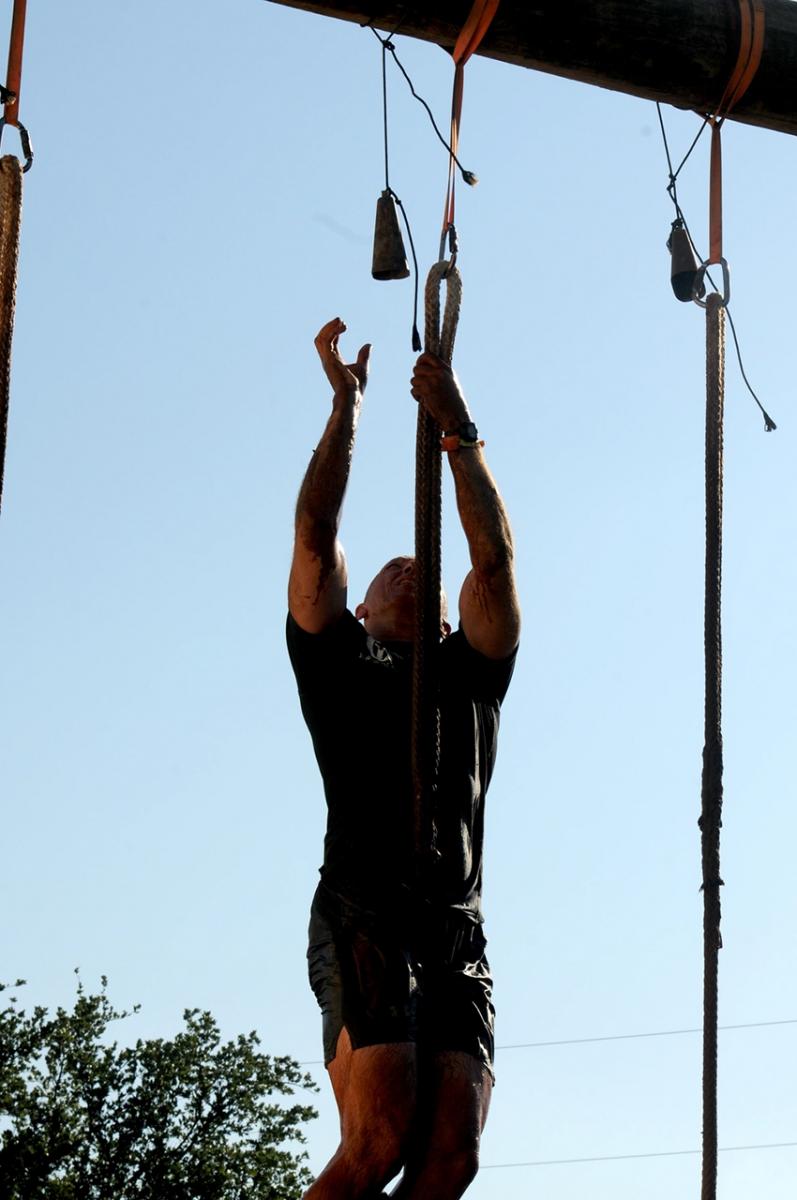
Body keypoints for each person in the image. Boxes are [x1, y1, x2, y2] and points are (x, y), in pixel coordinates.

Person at [287, 316, 520, 1200]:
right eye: (390, 570)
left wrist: (457, 431)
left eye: (422, 570)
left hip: (455, 928)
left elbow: (493, 560)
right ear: (360, 610)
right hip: (365, 912)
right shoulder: (338, 660)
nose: (408, 568)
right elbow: (314, 532)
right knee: (379, 1139)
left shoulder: (472, 669)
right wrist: (346, 409)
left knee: (450, 1159)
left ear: (452, 620)